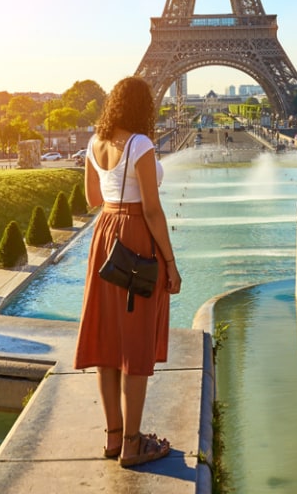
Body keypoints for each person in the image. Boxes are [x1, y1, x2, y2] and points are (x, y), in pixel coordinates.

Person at [73, 76, 182, 468]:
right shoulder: (141, 144)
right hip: (135, 235)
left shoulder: (94, 142)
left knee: (107, 341)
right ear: (141, 108)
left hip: (105, 235)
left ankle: (114, 437)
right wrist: (170, 263)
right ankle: (134, 445)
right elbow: (151, 209)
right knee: (135, 341)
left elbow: (93, 198)